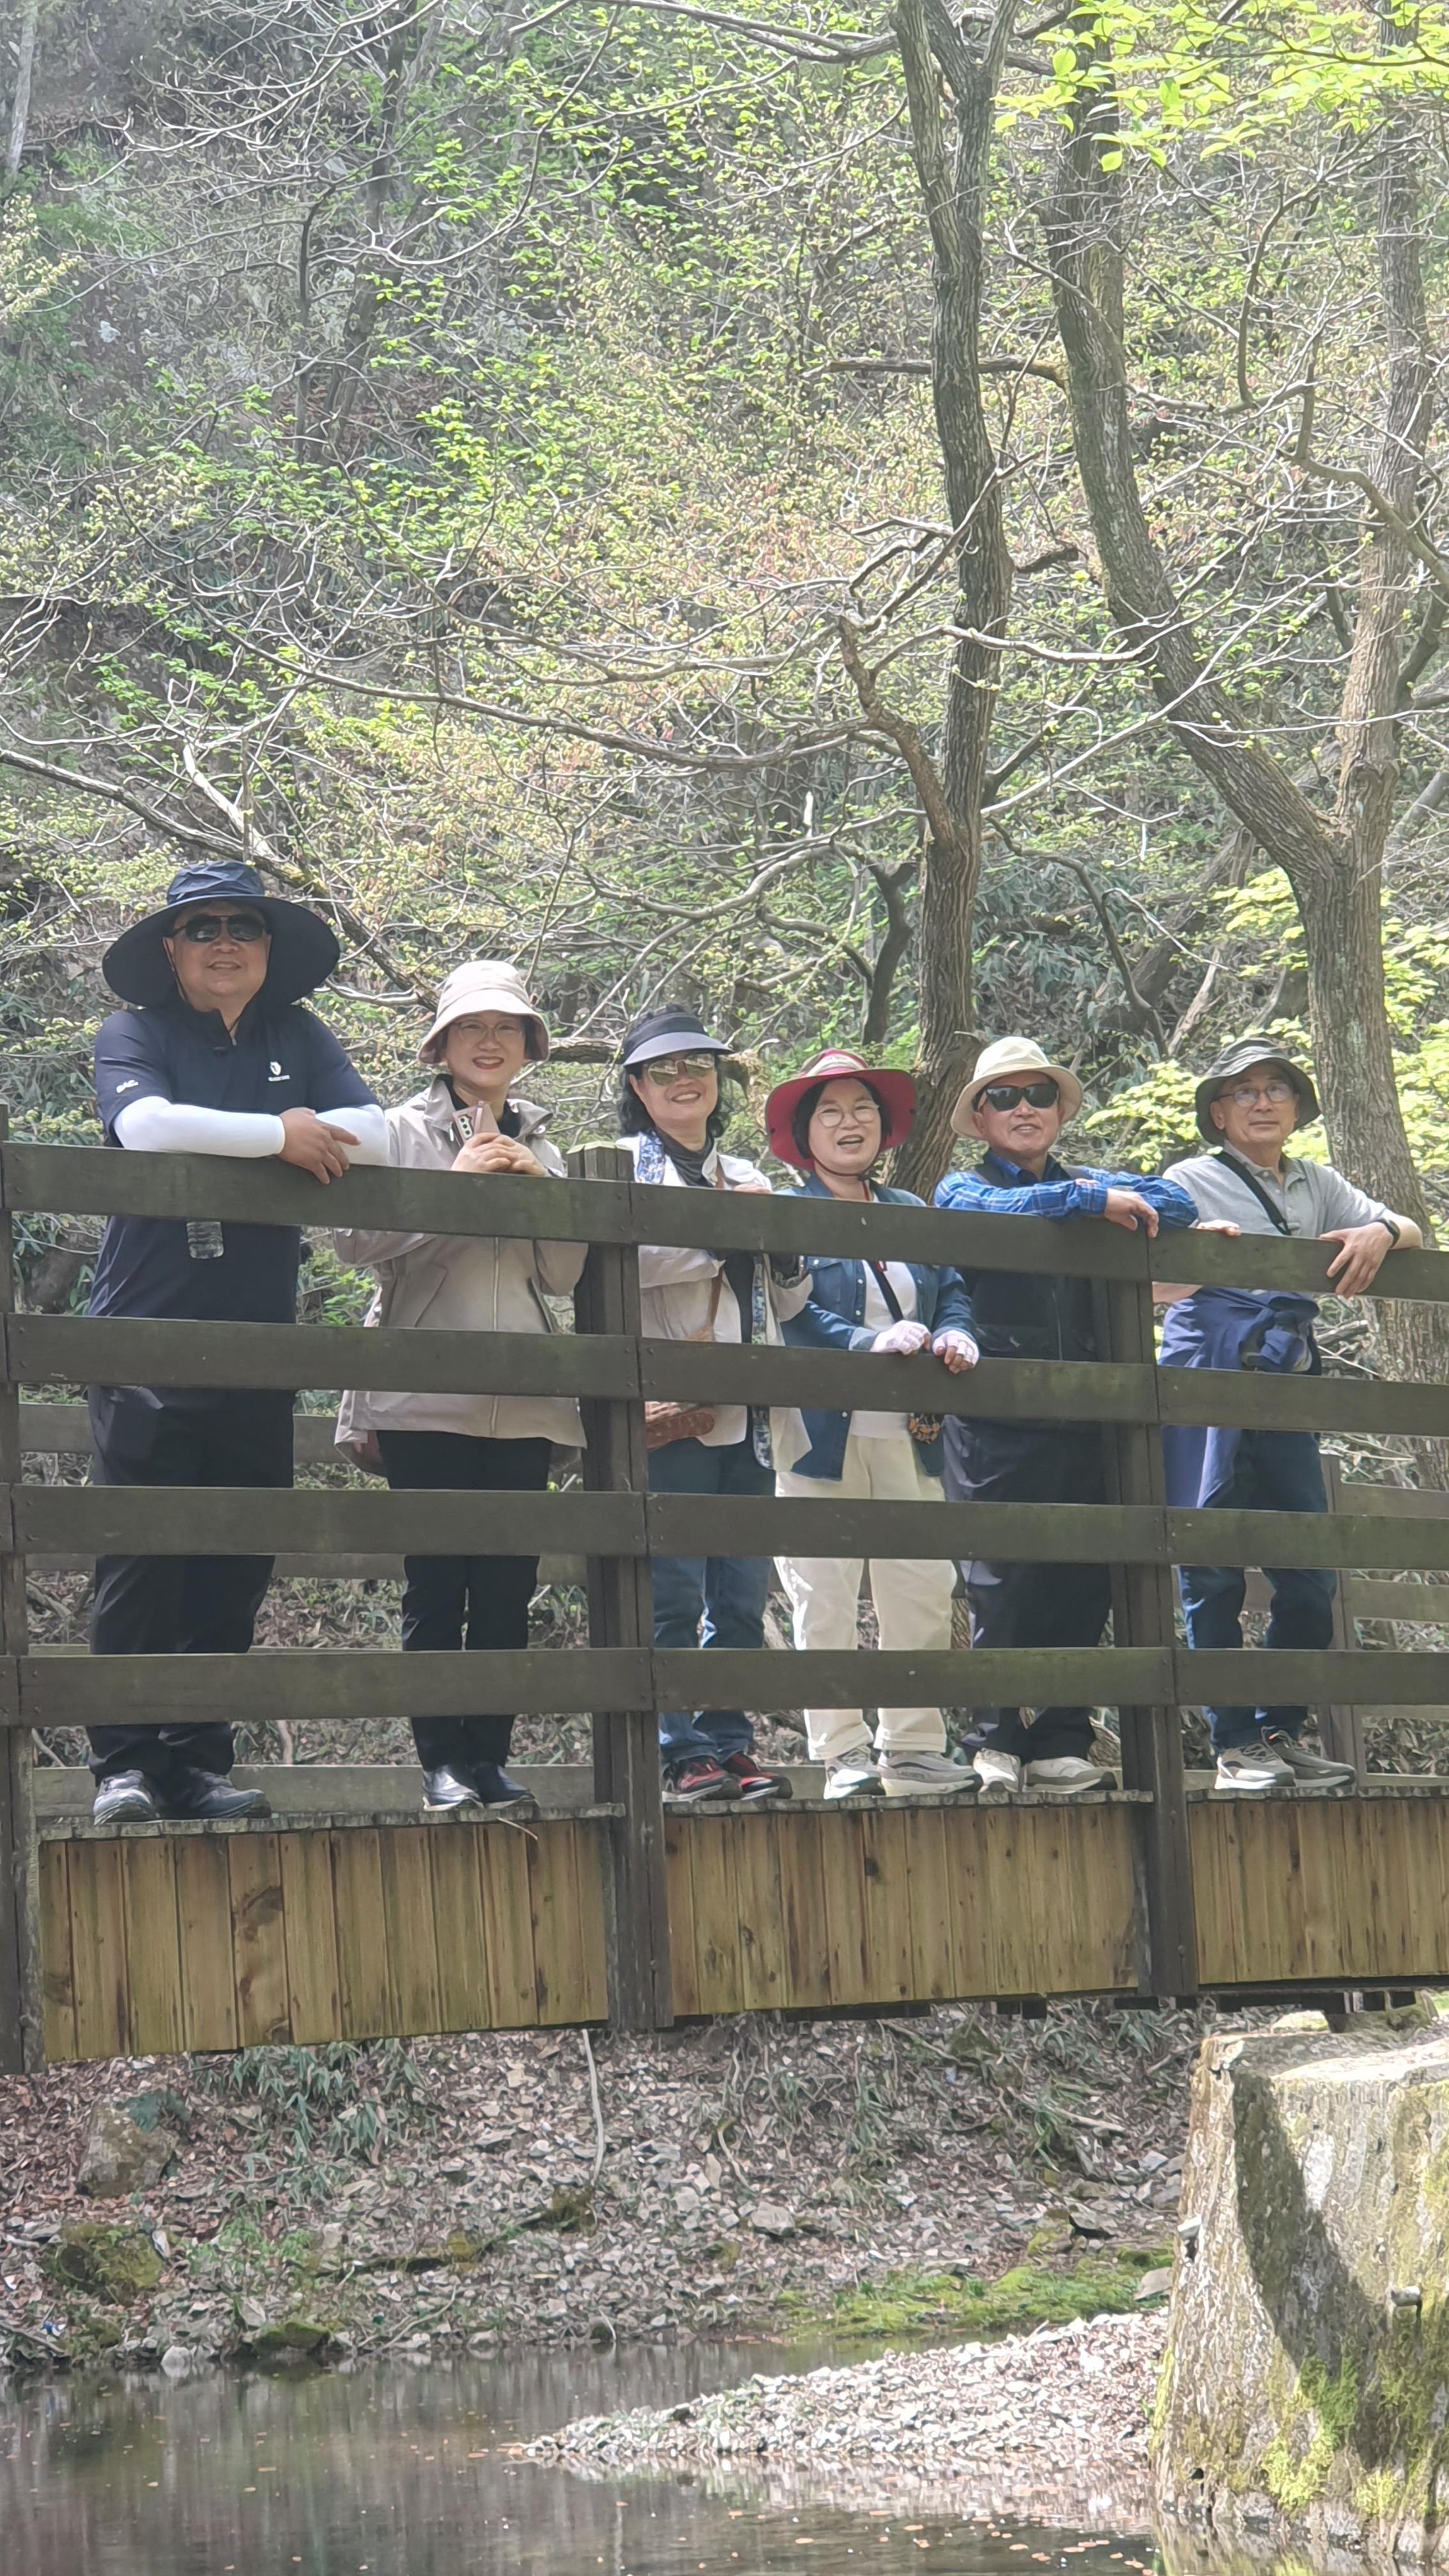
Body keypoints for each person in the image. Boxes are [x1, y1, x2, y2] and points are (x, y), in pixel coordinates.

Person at [86, 858, 388, 1828]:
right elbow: (145, 1126)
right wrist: (279, 1136)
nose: (225, 943)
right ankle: (124, 1764)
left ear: (267, 946)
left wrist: (277, 1130)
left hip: (261, 1340)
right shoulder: (135, 1032)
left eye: (243, 927)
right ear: (172, 948)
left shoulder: (296, 1033)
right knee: (144, 1550)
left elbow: (376, 1132)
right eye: (204, 928)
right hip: (145, 1332)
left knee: (237, 1551)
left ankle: (197, 1762)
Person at [334, 963, 586, 1816]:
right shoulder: (397, 1130)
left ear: (528, 1046)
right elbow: (352, 1241)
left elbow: (564, 1275)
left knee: (508, 1587)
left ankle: (491, 1760)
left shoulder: (545, 1143)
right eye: (472, 1027)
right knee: (437, 1582)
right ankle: (442, 1762)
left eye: (507, 1028)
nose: (489, 1041)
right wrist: (456, 1186)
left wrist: (540, 1190)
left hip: (526, 1398)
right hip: (425, 1394)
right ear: (441, 1044)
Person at [935, 1036, 1200, 1797]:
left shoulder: (1090, 1183)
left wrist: (1095, 1193)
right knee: (998, 1577)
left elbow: (1179, 1204)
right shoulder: (963, 1186)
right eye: (1004, 1097)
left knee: (1084, 1575)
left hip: (1089, 1410)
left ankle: (1061, 1738)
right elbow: (985, 1212)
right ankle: (994, 1738)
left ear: (1059, 1110)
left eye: (1039, 1095)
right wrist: (1088, 1203)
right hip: (995, 1413)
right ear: (980, 1118)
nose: (1024, 1109)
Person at [1160, 1035, 1422, 1794]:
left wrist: (1381, 1231)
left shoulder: (1317, 1182)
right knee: (1211, 1565)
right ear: (1218, 1112)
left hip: (1288, 1381)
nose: (1263, 1102)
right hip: (1207, 1377)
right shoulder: (1189, 1178)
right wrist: (1194, 1253)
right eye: (1244, 1091)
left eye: (1277, 1088)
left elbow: (1411, 1229)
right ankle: (1233, 1742)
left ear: (1298, 1108)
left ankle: (1281, 1728)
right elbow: (1147, 1275)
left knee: (1309, 1573)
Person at [765, 1048, 980, 1800]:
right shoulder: (787, 1212)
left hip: (912, 1432)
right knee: (822, 1591)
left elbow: (951, 1290)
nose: (848, 1122)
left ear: (884, 1127)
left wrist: (955, 1333)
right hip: (816, 1434)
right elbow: (789, 1311)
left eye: (862, 1108)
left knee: (920, 1587)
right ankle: (841, 1754)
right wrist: (866, 1343)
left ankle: (912, 1747)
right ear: (804, 1133)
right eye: (829, 1111)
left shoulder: (911, 1214)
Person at [619, 1006, 811, 1804]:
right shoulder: (621, 1167)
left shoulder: (747, 1173)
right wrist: (719, 1236)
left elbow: (787, 1301)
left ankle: (728, 1742)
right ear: (636, 1086)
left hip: (751, 1406)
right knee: (672, 1587)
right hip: (671, 1404)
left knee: (739, 1591)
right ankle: (677, 1748)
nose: (684, 1079)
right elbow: (617, 1266)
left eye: (698, 1064)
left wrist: (785, 1252)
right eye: (663, 1069)